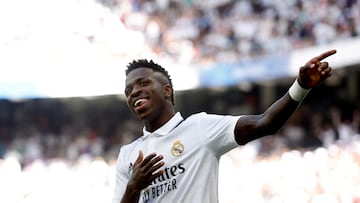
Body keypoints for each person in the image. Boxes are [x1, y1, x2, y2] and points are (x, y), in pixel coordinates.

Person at [112, 49, 337, 203]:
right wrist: (133, 187)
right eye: (129, 90)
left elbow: (265, 123)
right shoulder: (127, 155)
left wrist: (301, 86)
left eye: (143, 83)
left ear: (167, 90)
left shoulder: (200, 128)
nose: (135, 92)